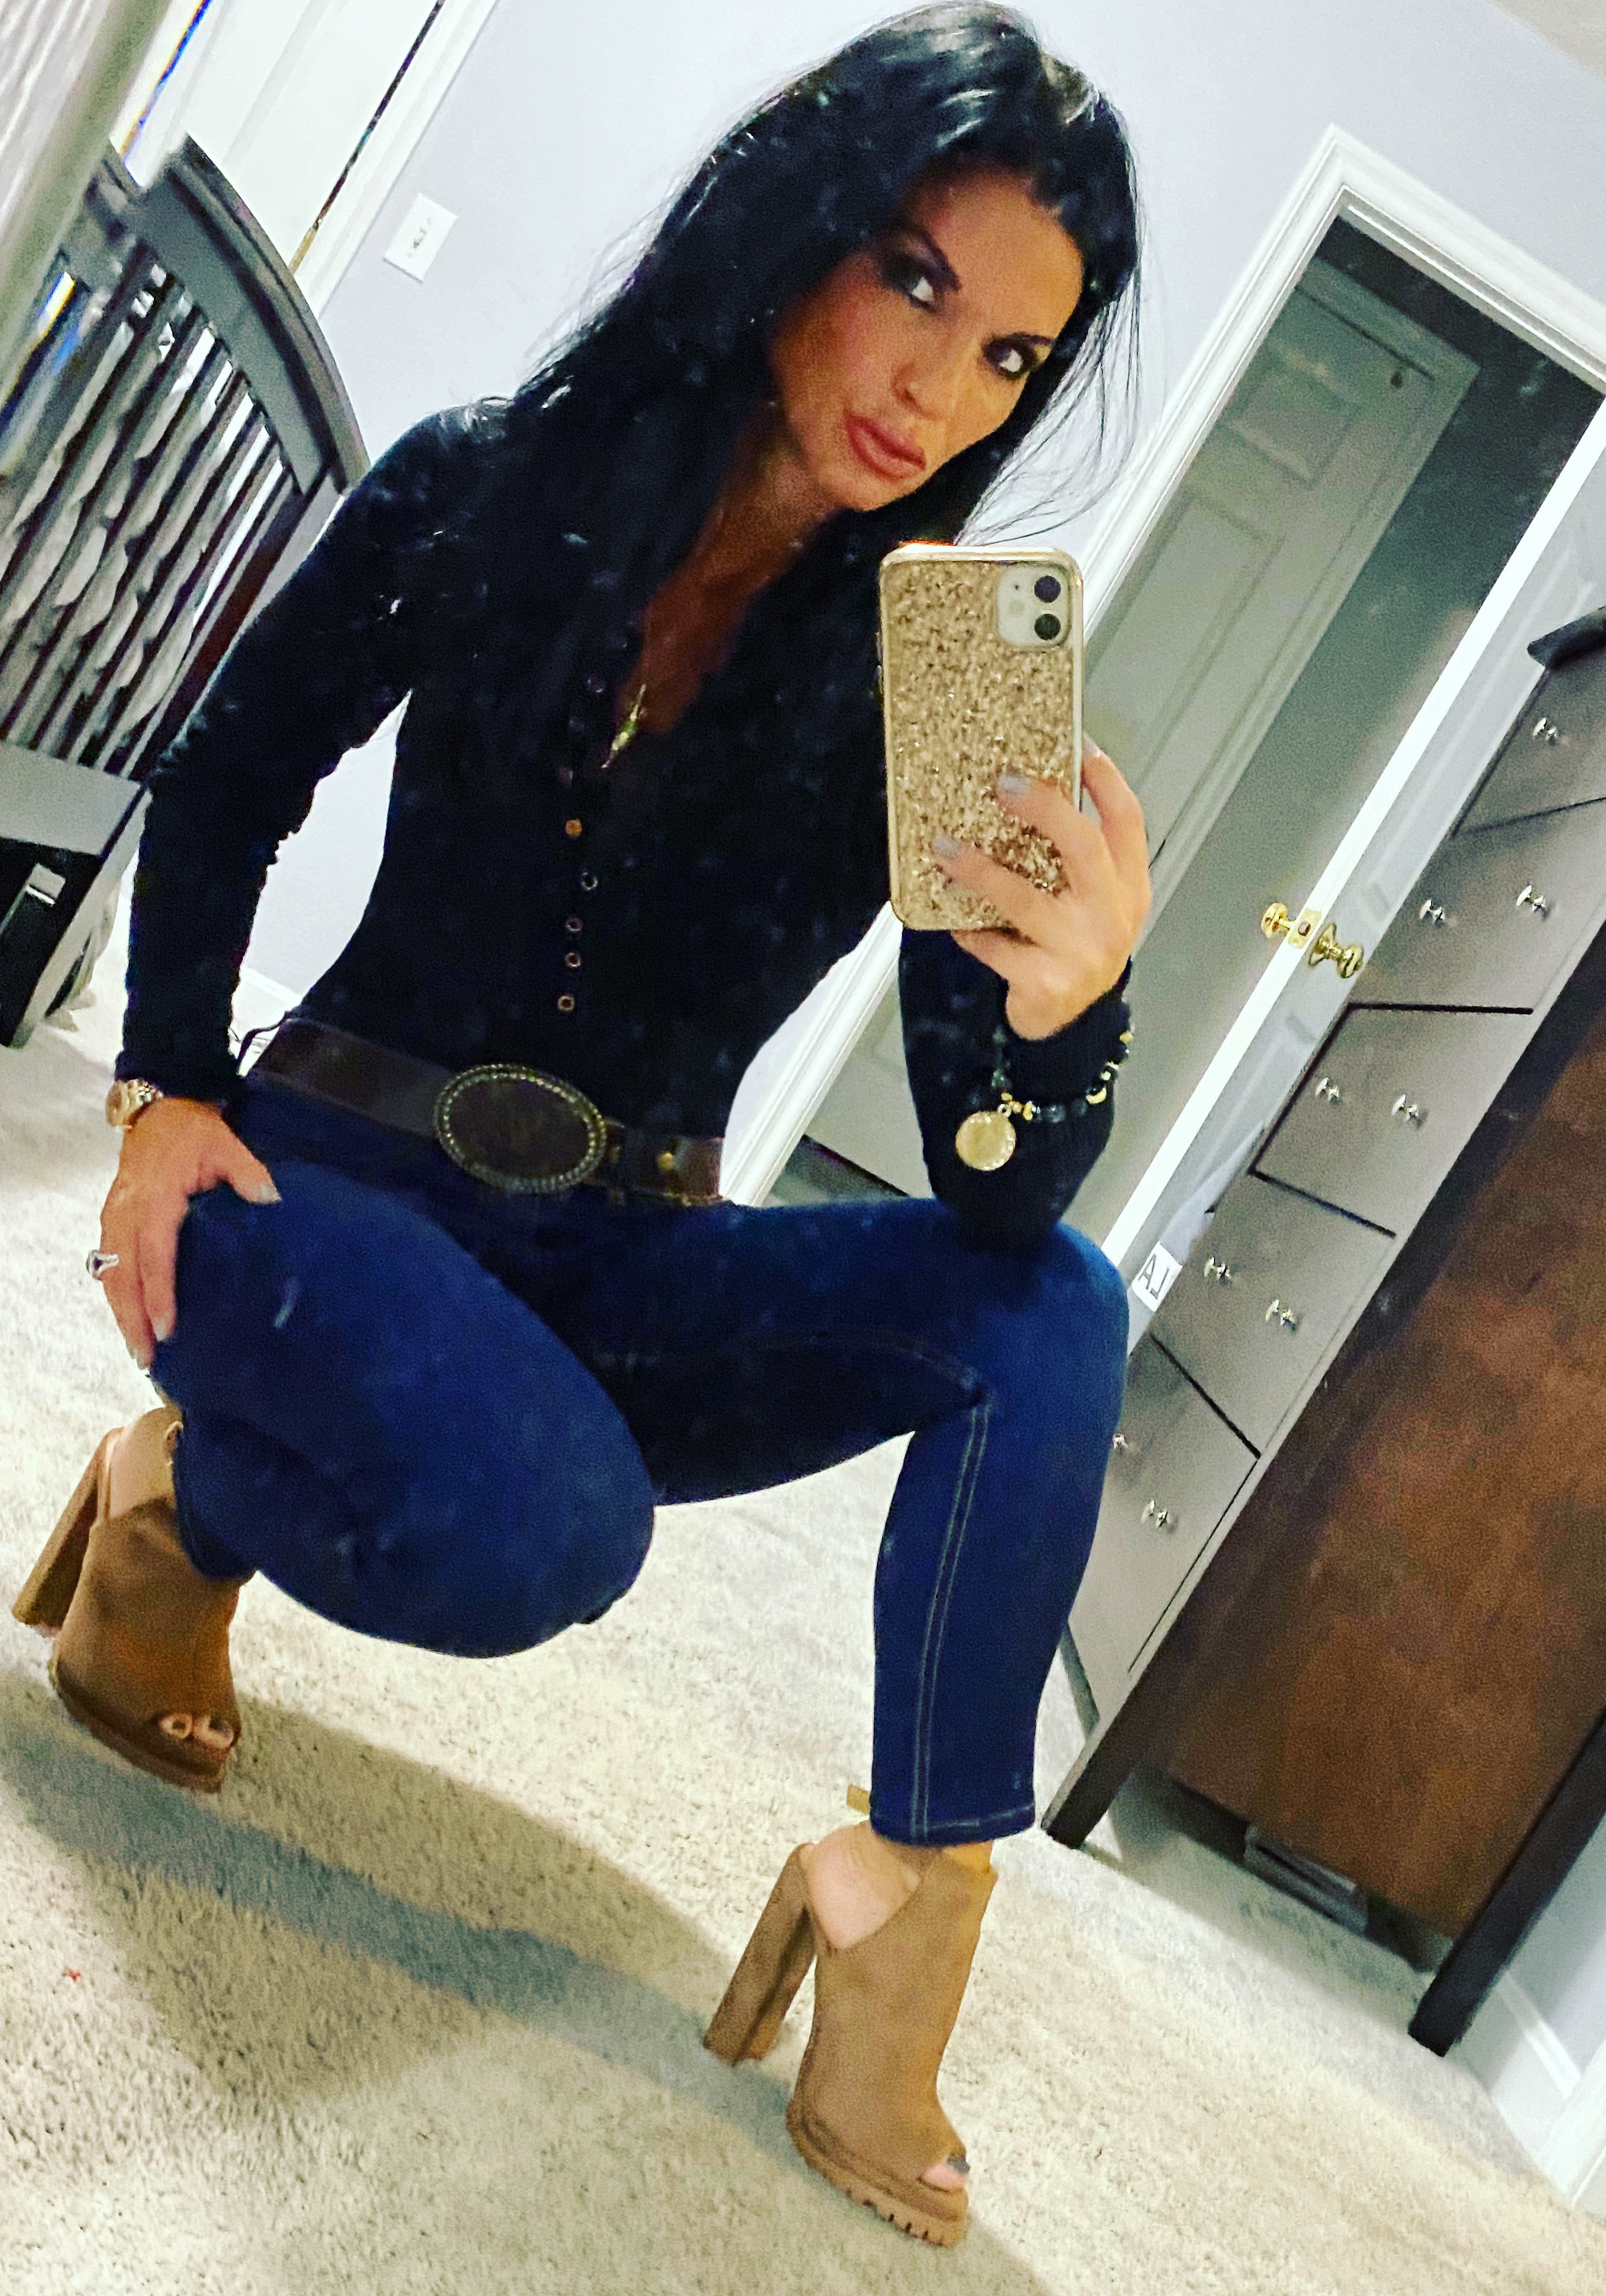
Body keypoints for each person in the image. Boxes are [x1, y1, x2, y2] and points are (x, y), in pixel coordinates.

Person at [14, 4, 1147, 2249]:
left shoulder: (938, 683)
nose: (940, 387)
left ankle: (910, 1893)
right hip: (315, 1179)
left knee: (1057, 1314)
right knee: (543, 1535)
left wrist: (1068, 1010)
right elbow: (233, 777)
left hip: (627, 1262)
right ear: (800, 224)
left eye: (1014, 355)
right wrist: (159, 1096)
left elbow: (992, 1190)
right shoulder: (486, 481)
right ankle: (181, 1500)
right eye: (917, 279)